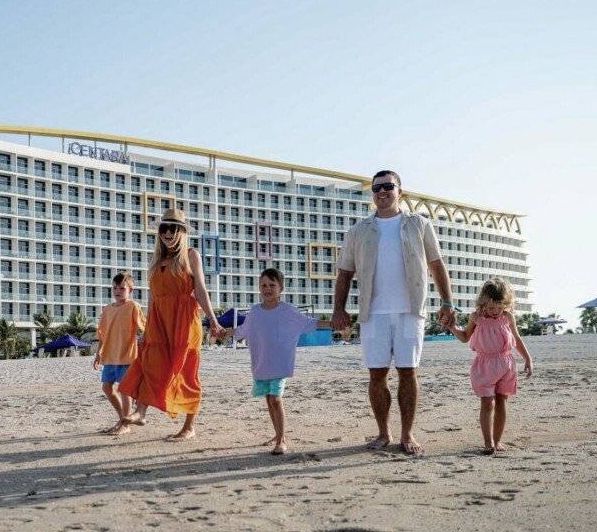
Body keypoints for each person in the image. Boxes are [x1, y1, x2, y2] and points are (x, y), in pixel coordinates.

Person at [331, 170, 455, 456]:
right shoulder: (358, 231)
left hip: (411, 310)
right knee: (377, 374)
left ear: (400, 191)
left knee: (408, 372)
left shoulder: (419, 224)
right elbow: (344, 273)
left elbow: (436, 265)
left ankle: (407, 433)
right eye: (376, 188)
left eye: (388, 186)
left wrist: (447, 302)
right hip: (373, 312)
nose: (382, 192)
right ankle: (383, 433)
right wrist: (339, 309)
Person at [119, 208, 222, 441]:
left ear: (182, 232)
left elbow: (200, 290)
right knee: (149, 363)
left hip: (184, 320)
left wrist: (213, 320)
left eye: (172, 228)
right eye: (163, 228)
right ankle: (141, 412)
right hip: (159, 320)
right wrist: (145, 326)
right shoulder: (157, 261)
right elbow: (152, 297)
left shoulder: (190, 254)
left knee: (185, 373)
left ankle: (189, 426)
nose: (167, 233)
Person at [214, 268, 317, 455]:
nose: (267, 289)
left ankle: (282, 440)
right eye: (263, 285)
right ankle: (278, 433)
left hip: (280, 363)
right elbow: (241, 332)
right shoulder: (254, 312)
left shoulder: (288, 311)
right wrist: (224, 332)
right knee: (269, 400)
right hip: (262, 363)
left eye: (272, 285)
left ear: (281, 288)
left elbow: (309, 323)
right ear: (259, 288)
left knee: (276, 399)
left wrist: (337, 322)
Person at [447, 278, 533, 454]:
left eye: (499, 307)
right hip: (484, 365)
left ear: (506, 303)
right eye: (491, 307)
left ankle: (497, 441)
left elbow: (516, 339)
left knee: (502, 402)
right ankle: (488, 443)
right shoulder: (476, 318)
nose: (495, 311)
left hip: (506, 364)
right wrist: (453, 327)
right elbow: (465, 337)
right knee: (487, 403)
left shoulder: (508, 317)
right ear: (483, 303)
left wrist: (528, 359)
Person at [93, 272, 147, 435]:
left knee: (125, 390)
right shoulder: (107, 309)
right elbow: (102, 334)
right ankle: (123, 419)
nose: (117, 291)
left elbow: (145, 328)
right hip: (109, 356)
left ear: (130, 290)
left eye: (122, 288)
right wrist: (98, 354)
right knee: (107, 388)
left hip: (127, 355)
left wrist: (143, 343)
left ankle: (124, 424)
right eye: (115, 288)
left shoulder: (133, 306)